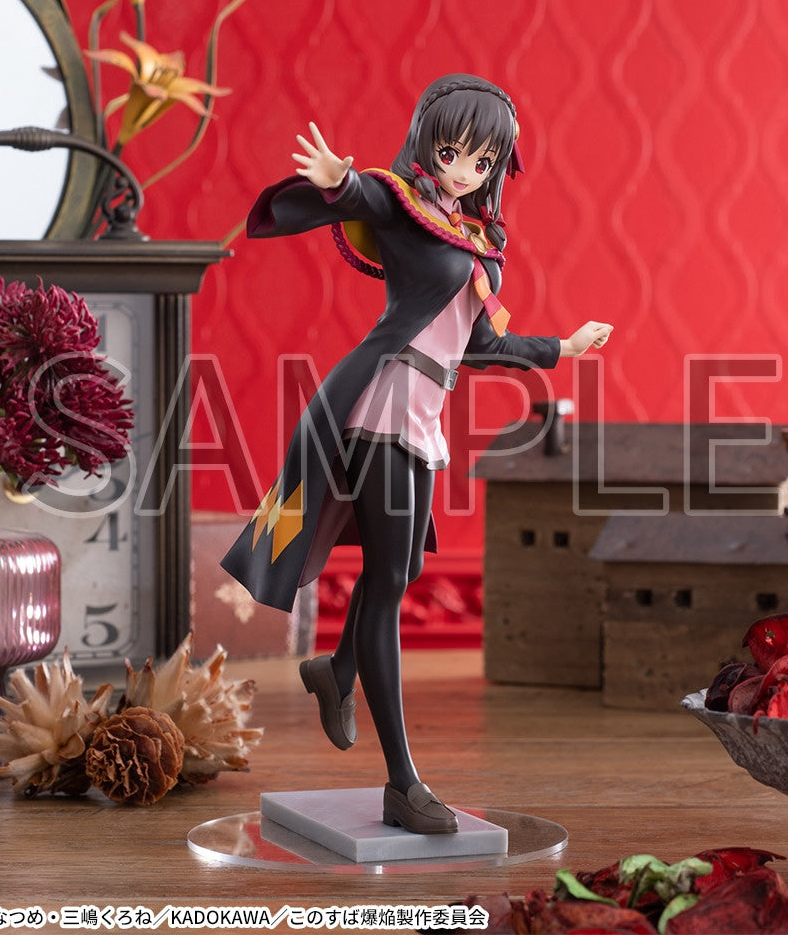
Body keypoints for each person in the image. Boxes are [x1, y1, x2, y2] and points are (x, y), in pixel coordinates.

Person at [221, 74, 612, 835]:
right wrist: (339, 183)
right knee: (388, 583)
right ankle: (403, 781)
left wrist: (561, 348)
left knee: (398, 570)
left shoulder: (477, 241)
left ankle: (336, 669)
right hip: (383, 405)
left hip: (426, 410)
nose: (464, 170)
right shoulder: (404, 204)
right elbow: (366, 196)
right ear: (427, 144)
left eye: (482, 160)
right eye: (452, 151)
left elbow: (482, 346)